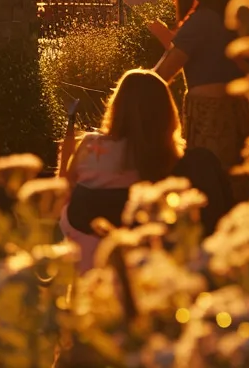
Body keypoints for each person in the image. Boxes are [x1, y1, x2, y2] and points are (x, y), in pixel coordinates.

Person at [149, 0, 249, 171]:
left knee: (209, 188)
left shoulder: (201, 21)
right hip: (240, 118)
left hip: (209, 126)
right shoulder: (238, 18)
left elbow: (158, 78)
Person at [59, 69, 185, 271]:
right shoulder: (166, 157)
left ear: (117, 105)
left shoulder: (90, 145)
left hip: (82, 237)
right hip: (137, 248)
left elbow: (64, 187)